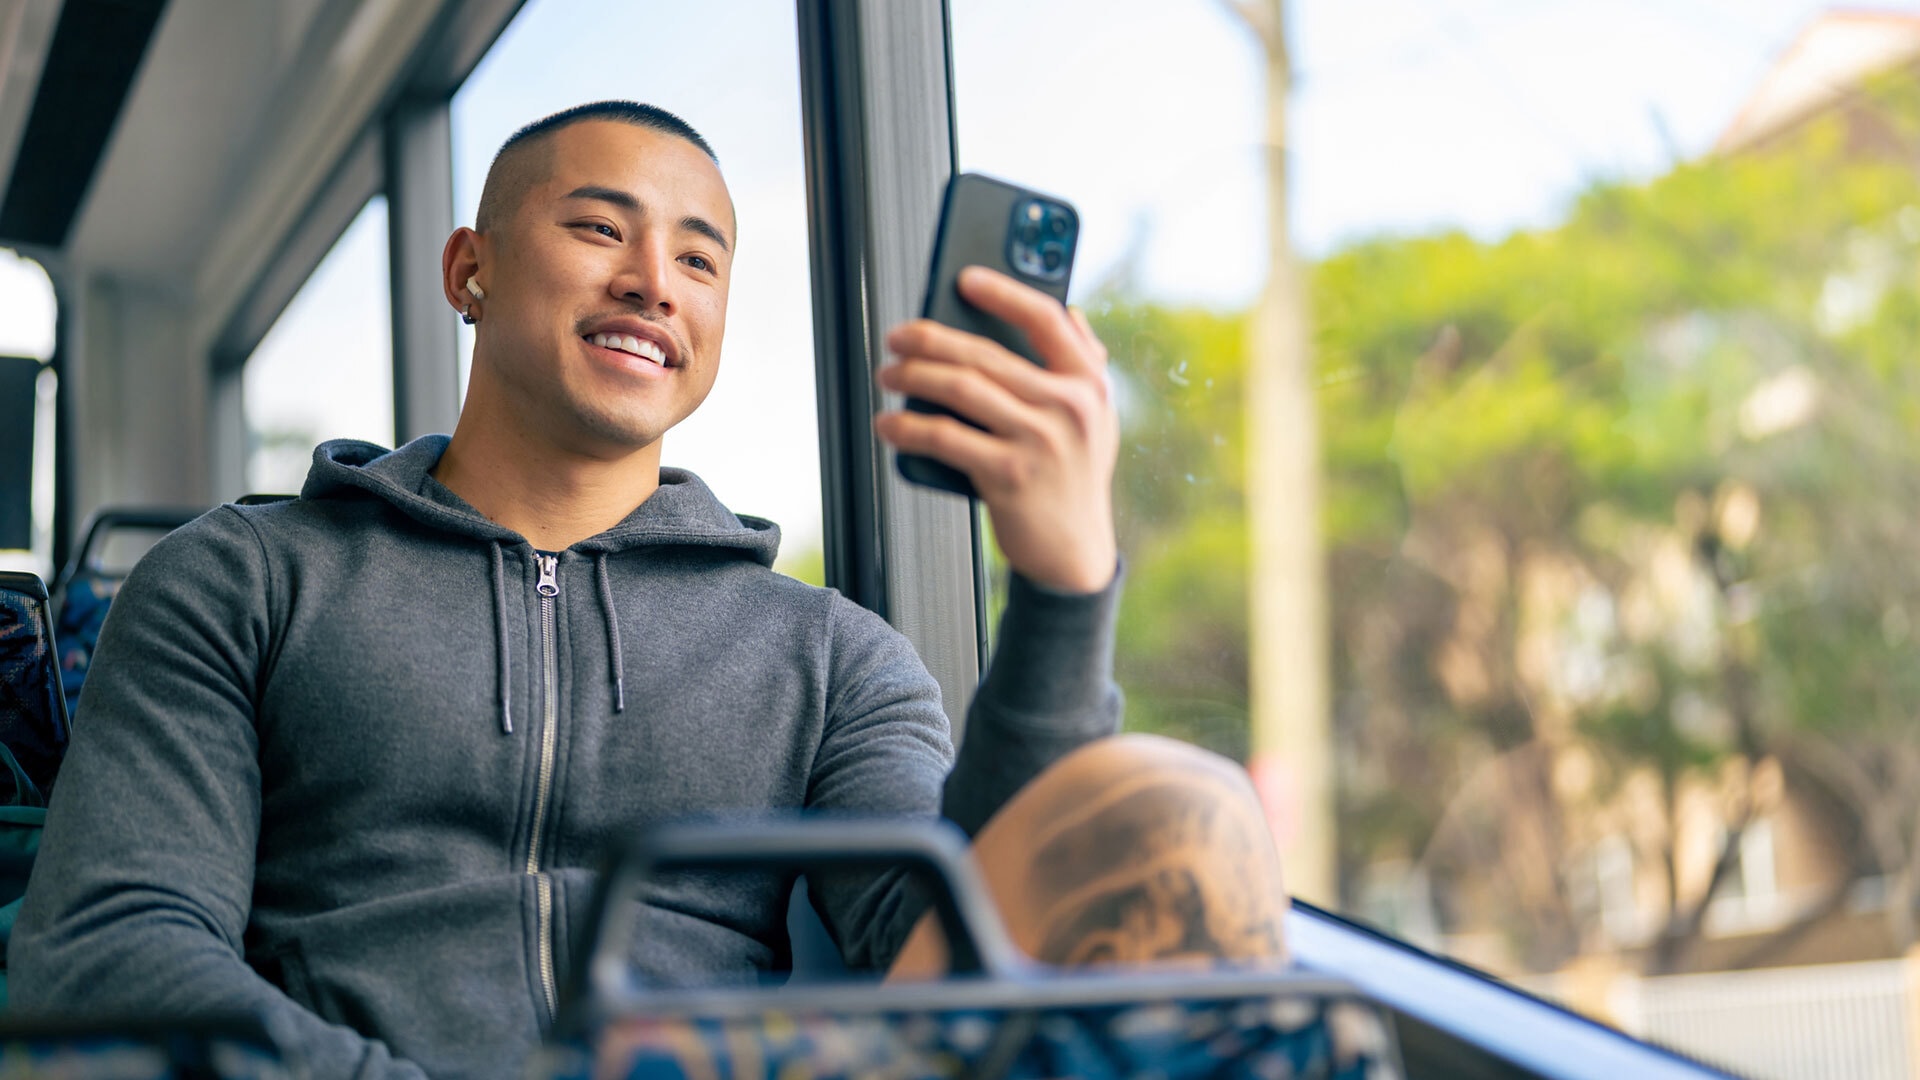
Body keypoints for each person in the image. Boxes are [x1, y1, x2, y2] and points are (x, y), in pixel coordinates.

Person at [11, 102, 1287, 1079]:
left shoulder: (833, 656)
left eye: (700, 259)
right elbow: (109, 952)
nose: (653, 283)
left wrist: (1063, 587)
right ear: (471, 270)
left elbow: (958, 953)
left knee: (1182, 807)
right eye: (599, 228)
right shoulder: (240, 581)